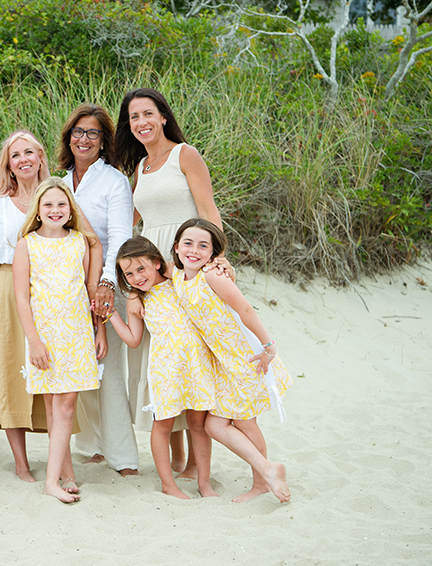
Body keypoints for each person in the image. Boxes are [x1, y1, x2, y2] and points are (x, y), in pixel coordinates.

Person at [0, 131, 102, 482]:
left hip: (61, 303)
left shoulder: (58, 196)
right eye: (15, 154)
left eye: (29, 152)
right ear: (8, 163)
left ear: (40, 155)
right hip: (8, 289)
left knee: (56, 386)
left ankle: (62, 467)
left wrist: (92, 288)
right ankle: (21, 463)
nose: (23, 159)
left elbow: (91, 242)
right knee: (13, 375)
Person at [116, 87, 223, 477]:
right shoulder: (140, 169)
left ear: (163, 116)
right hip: (151, 270)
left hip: (186, 261)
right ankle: (177, 459)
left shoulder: (185, 154)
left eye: (147, 114)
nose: (141, 122)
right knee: (161, 357)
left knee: (191, 354)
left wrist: (216, 261)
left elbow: (209, 211)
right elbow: (128, 223)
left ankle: (197, 462)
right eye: (133, 118)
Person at [170, 219, 291, 503]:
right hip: (224, 364)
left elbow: (245, 309)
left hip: (245, 357)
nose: (194, 250)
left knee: (245, 423)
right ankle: (267, 470)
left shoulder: (212, 275)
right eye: (188, 243)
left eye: (203, 246)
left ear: (213, 254)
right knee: (216, 425)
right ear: (176, 248)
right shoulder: (178, 278)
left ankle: (262, 481)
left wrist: (269, 347)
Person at [59, 103, 138, 476]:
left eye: (92, 133)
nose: (84, 139)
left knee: (107, 369)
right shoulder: (59, 182)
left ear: (104, 140)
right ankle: (92, 444)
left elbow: (121, 236)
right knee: (78, 368)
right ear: (68, 138)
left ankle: (122, 456)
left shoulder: (114, 181)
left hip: (107, 284)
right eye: (78, 132)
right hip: (65, 289)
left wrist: (107, 282)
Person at [12, 177, 103, 503]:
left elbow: (89, 293)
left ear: (71, 209)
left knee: (65, 404)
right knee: (54, 405)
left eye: (61, 204)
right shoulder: (27, 244)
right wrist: (34, 341)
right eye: (48, 204)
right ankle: (57, 478)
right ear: (37, 209)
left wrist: (100, 329)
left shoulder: (80, 242)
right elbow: (22, 298)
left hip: (76, 333)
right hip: (45, 335)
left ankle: (61, 475)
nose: (55, 210)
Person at [107, 236, 217, 499]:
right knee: (163, 425)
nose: (136, 277)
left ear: (157, 263)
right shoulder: (140, 299)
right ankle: (168, 484)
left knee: (198, 424)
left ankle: (205, 483)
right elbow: (134, 340)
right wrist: (112, 313)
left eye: (141, 269)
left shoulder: (179, 279)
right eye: (128, 274)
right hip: (165, 369)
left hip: (196, 365)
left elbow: (175, 266)